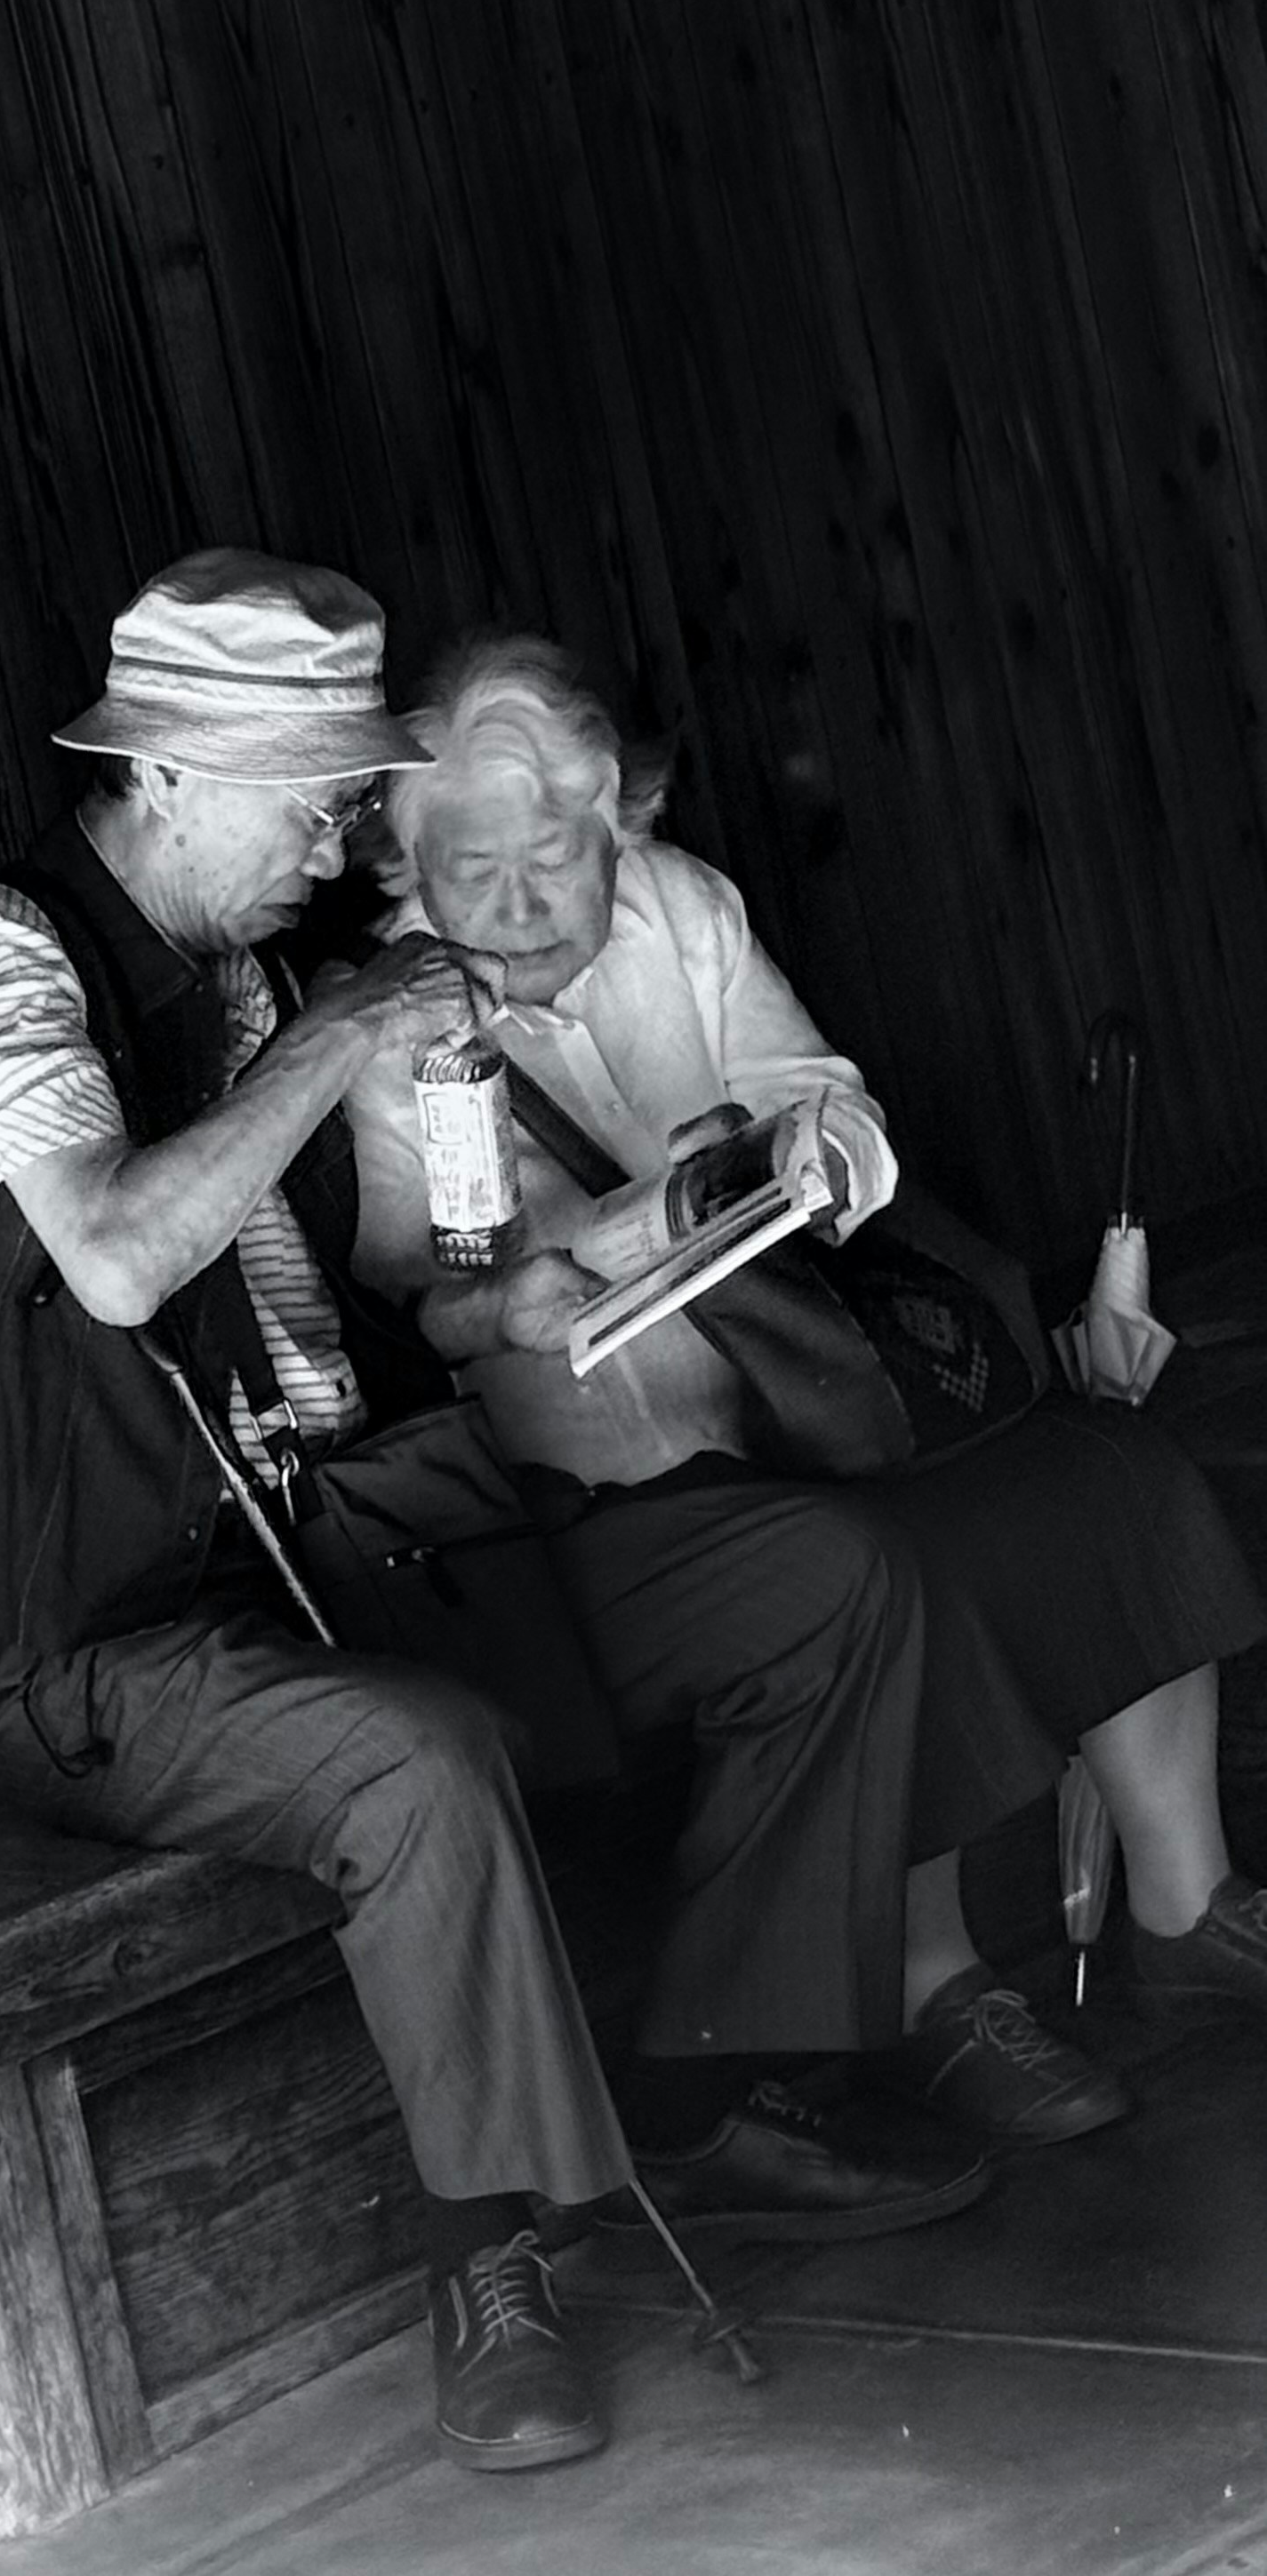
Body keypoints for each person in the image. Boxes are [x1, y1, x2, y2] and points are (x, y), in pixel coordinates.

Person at [0, 550, 991, 2482]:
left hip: (356, 1537)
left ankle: (699, 2086)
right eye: (312, 798)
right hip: (102, 1632)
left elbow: (386, 1294)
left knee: (820, 1578)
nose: (335, 842)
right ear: (170, 777)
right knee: (423, 1761)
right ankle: (486, 2262)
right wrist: (334, 1040)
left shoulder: (254, 975)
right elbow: (125, 1260)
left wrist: (508, 1294)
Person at [343, 632, 1267, 2175]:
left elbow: (815, 1086)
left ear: (615, 825)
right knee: (876, 1574)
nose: (516, 903)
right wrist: (655, 1217)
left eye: (554, 854)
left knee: (1098, 1467)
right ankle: (933, 1989)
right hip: (613, 1482)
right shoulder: (389, 1032)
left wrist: (818, 1158)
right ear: (404, 863)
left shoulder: (680, 908)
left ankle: (1186, 1905)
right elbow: (423, 1291)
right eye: (469, 866)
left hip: (804, 1395)